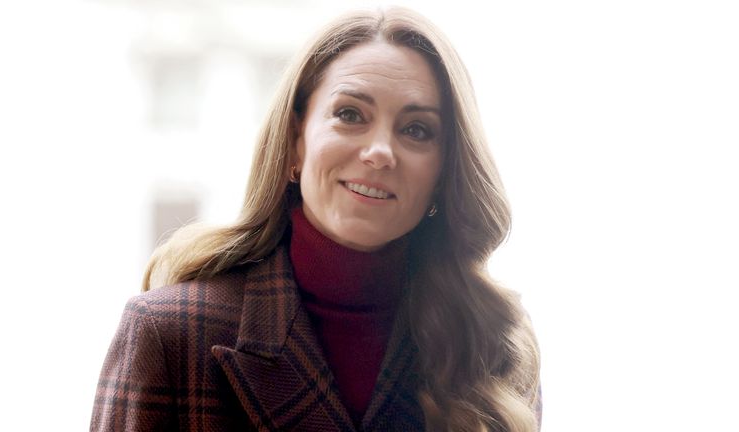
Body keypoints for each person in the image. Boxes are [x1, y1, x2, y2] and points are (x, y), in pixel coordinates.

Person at [91, 6, 541, 432]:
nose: (380, 151)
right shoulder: (168, 333)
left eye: (416, 129)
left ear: (445, 173)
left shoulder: (491, 342)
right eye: (350, 115)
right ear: (295, 144)